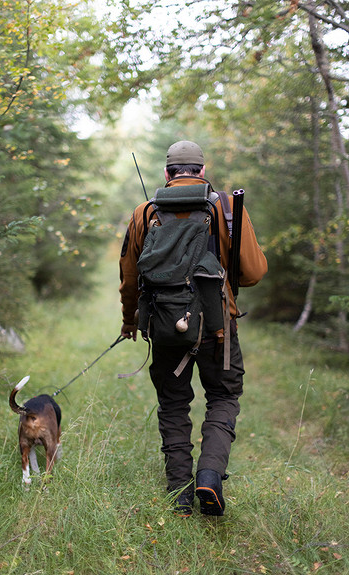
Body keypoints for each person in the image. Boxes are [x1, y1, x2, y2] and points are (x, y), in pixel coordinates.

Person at [119, 140, 268, 517]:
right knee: (222, 397)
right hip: (219, 327)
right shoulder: (228, 207)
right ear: (202, 170)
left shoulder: (145, 212)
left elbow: (129, 277)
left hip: (166, 325)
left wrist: (129, 320)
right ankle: (209, 476)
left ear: (167, 174)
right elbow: (253, 273)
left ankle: (180, 496)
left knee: (173, 403)